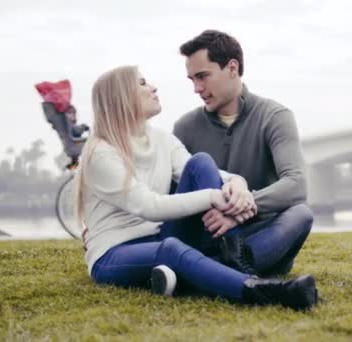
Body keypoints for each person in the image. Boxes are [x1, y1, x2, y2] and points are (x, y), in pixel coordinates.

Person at [75, 65, 318, 310]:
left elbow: (199, 170)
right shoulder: (100, 152)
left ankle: (224, 263)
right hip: (115, 253)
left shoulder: (161, 138)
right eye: (142, 83)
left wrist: (238, 183)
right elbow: (148, 205)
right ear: (120, 97)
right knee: (170, 250)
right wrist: (213, 197)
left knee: (201, 161)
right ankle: (259, 289)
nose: (153, 87)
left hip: (163, 236)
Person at [172, 30, 313, 277]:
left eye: (203, 76)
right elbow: (168, 192)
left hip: (255, 235)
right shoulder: (185, 127)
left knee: (301, 215)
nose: (197, 88)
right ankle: (223, 271)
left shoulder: (275, 117)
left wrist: (241, 210)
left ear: (232, 68)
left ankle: (209, 270)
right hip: (204, 237)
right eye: (192, 79)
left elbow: (296, 184)